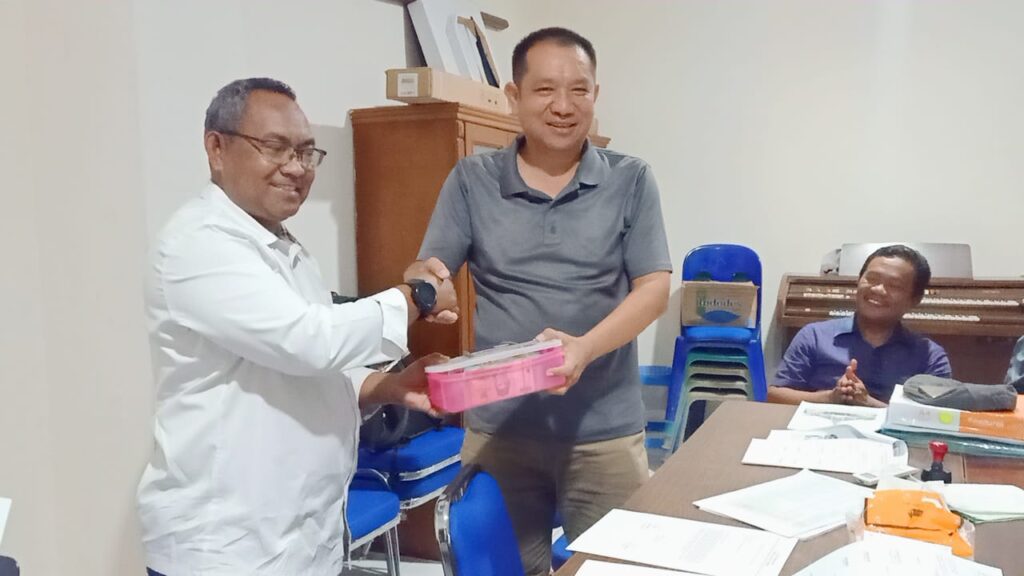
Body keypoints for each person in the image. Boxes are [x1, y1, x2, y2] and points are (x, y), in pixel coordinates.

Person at [136, 77, 456, 575]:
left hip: (299, 539)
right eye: (274, 147)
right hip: (227, 548)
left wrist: (388, 387)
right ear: (217, 148)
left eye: (306, 152)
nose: (296, 167)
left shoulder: (283, 246)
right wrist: (419, 294)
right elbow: (311, 340)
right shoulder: (197, 244)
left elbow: (304, 368)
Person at [406, 28, 672, 576]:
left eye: (579, 90)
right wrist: (426, 284)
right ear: (514, 96)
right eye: (545, 89)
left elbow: (654, 289)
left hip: (604, 429)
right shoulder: (473, 179)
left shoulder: (631, 179)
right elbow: (427, 267)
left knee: (620, 566)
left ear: (596, 94)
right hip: (501, 428)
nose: (563, 106)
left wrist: (583, 349)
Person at [769, 244, 951, 407]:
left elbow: (939, 418)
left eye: (894, 285)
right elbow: (775, 396)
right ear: (858, 281)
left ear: (915, 299)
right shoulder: (814, 335)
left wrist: (868, 403)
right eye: (871, 279)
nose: (878, 290)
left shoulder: (929, 356)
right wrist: (830, 397)